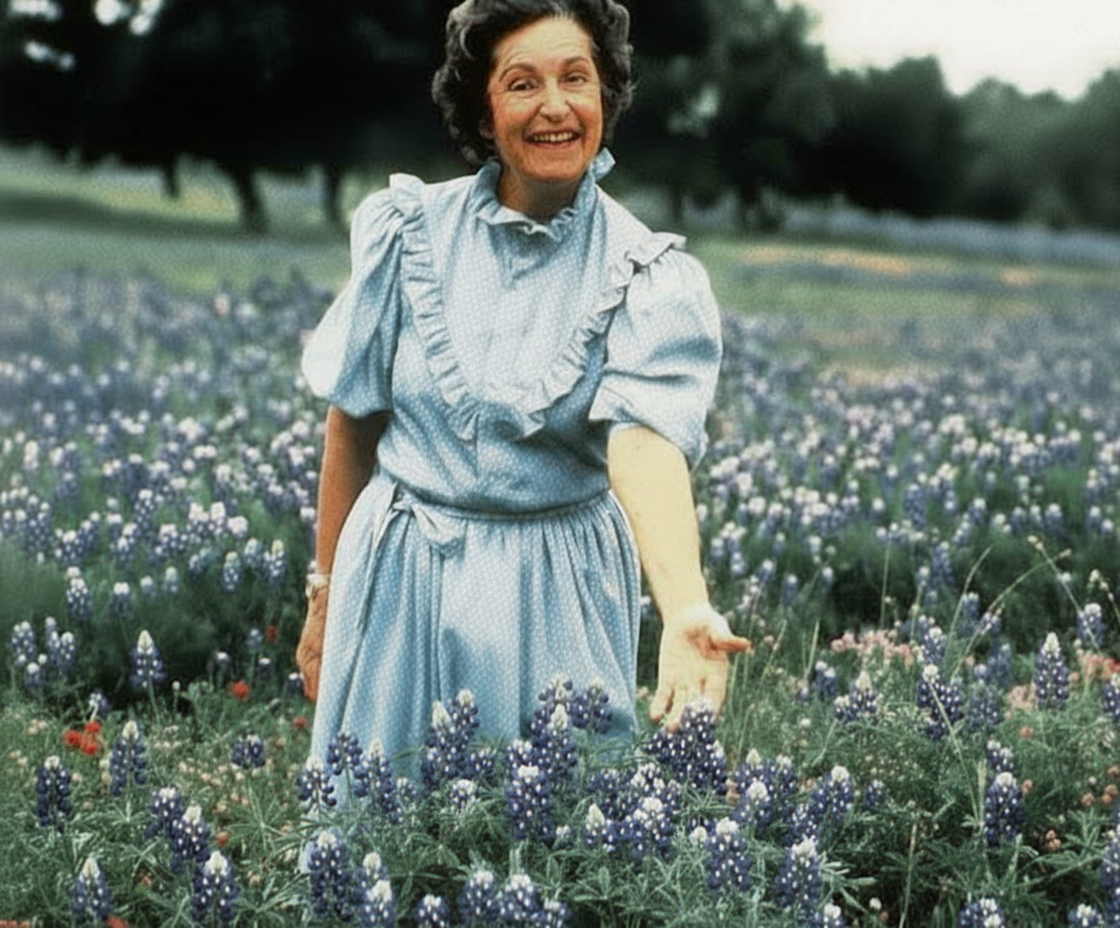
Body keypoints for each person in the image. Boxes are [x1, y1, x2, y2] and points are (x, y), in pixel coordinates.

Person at [296, 0, 750, 775]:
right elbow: (353, 422)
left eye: (577, 78)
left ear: (606, 95)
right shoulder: (408, 230)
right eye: (521, 83)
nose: (554, 107)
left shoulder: (645, 271)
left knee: (551, 843)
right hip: (400, 576)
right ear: (483, 107)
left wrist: (685, 605)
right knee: (383, 830)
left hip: (553, 588)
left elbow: (643, 445)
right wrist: (327, 590)